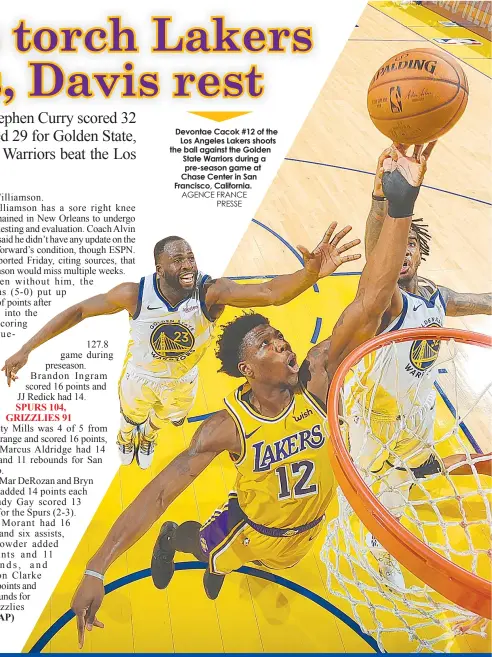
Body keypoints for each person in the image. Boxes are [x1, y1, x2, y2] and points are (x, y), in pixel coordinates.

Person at [70, 145, 434, 647]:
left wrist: (397, 204)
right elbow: (157, 493)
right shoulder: (225, 427)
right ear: (246, 370)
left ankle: (216, 557)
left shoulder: (318, 377)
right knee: (204, 547)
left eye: (279, 337)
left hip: (306, 531)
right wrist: (96, 568)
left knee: (248, 558)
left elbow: (370, 299)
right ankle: (176, 540)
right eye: (266, 343)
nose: (282, 343)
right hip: (250, 526)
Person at [2, 227, 360, 469]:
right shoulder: (135, 294)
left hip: (183, 380)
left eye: (190, 257)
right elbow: (79, 310)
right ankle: (129, 435)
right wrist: (26, 349)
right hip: (140, 376)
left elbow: (269, 293)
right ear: (160, 268)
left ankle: (148, 435)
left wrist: (310, 274)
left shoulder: (210, 293)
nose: (188, 265)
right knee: (133, 416)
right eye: (178, 260)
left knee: (164, 420)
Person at [346, 142, 492, 588]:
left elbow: (482, 301)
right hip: (375, 413)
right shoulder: (385, 300)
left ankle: (386, 548)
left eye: (411, 245)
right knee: (370, 480)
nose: (403, 250)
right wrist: (384, 202)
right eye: (399, 244)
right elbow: (378, 260)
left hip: (418, 413)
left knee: (399, 486)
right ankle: (369, 525)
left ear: (422, 252)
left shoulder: (435, 294)